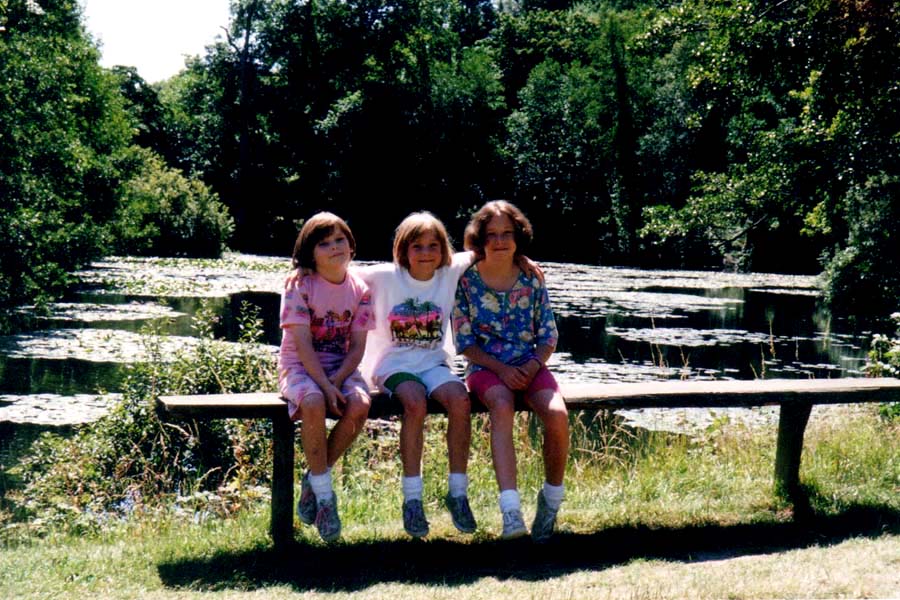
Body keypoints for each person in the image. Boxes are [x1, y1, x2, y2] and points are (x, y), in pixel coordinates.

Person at [355, 212, 478, 538]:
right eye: (417, 246)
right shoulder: (384, 276)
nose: (426, 252)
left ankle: (457, 492)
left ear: (443, 249)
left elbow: (488, 248)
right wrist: (304, 275)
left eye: (433, 245)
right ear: (402, 249)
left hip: (434, 363)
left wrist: (524, 261)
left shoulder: (448, 272)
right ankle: (412, 500)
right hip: (393, 365)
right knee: (414, 403)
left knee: (460, 401)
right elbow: (338, 273)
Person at [451, 200, 569, 542]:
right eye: (492, 235)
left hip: (530, 365)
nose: (499, 241)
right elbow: (464, 341)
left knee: (558, 414)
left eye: (507, 234)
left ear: (518, 237)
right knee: (501, 405)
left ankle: (550, 502)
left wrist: (531, 365)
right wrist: (501, 369)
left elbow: (548, 336)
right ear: (480, 238)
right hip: (486, 367)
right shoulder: (466, 281)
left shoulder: (531, 278)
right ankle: (511, 512)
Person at [278, 212, 375, 543]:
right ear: (309, 252)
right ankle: (325, 498)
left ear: (351, 244)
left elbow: (358, 346)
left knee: (361, 402)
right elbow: (302, 344)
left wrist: (338, 380)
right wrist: (324, 386)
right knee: (314, 401)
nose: (335, 247)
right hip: (299, 367)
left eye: (340, 239)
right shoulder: (299, 285)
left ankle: (315, 477)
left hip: (341, 368)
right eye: (324, 243)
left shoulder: (361, 289)